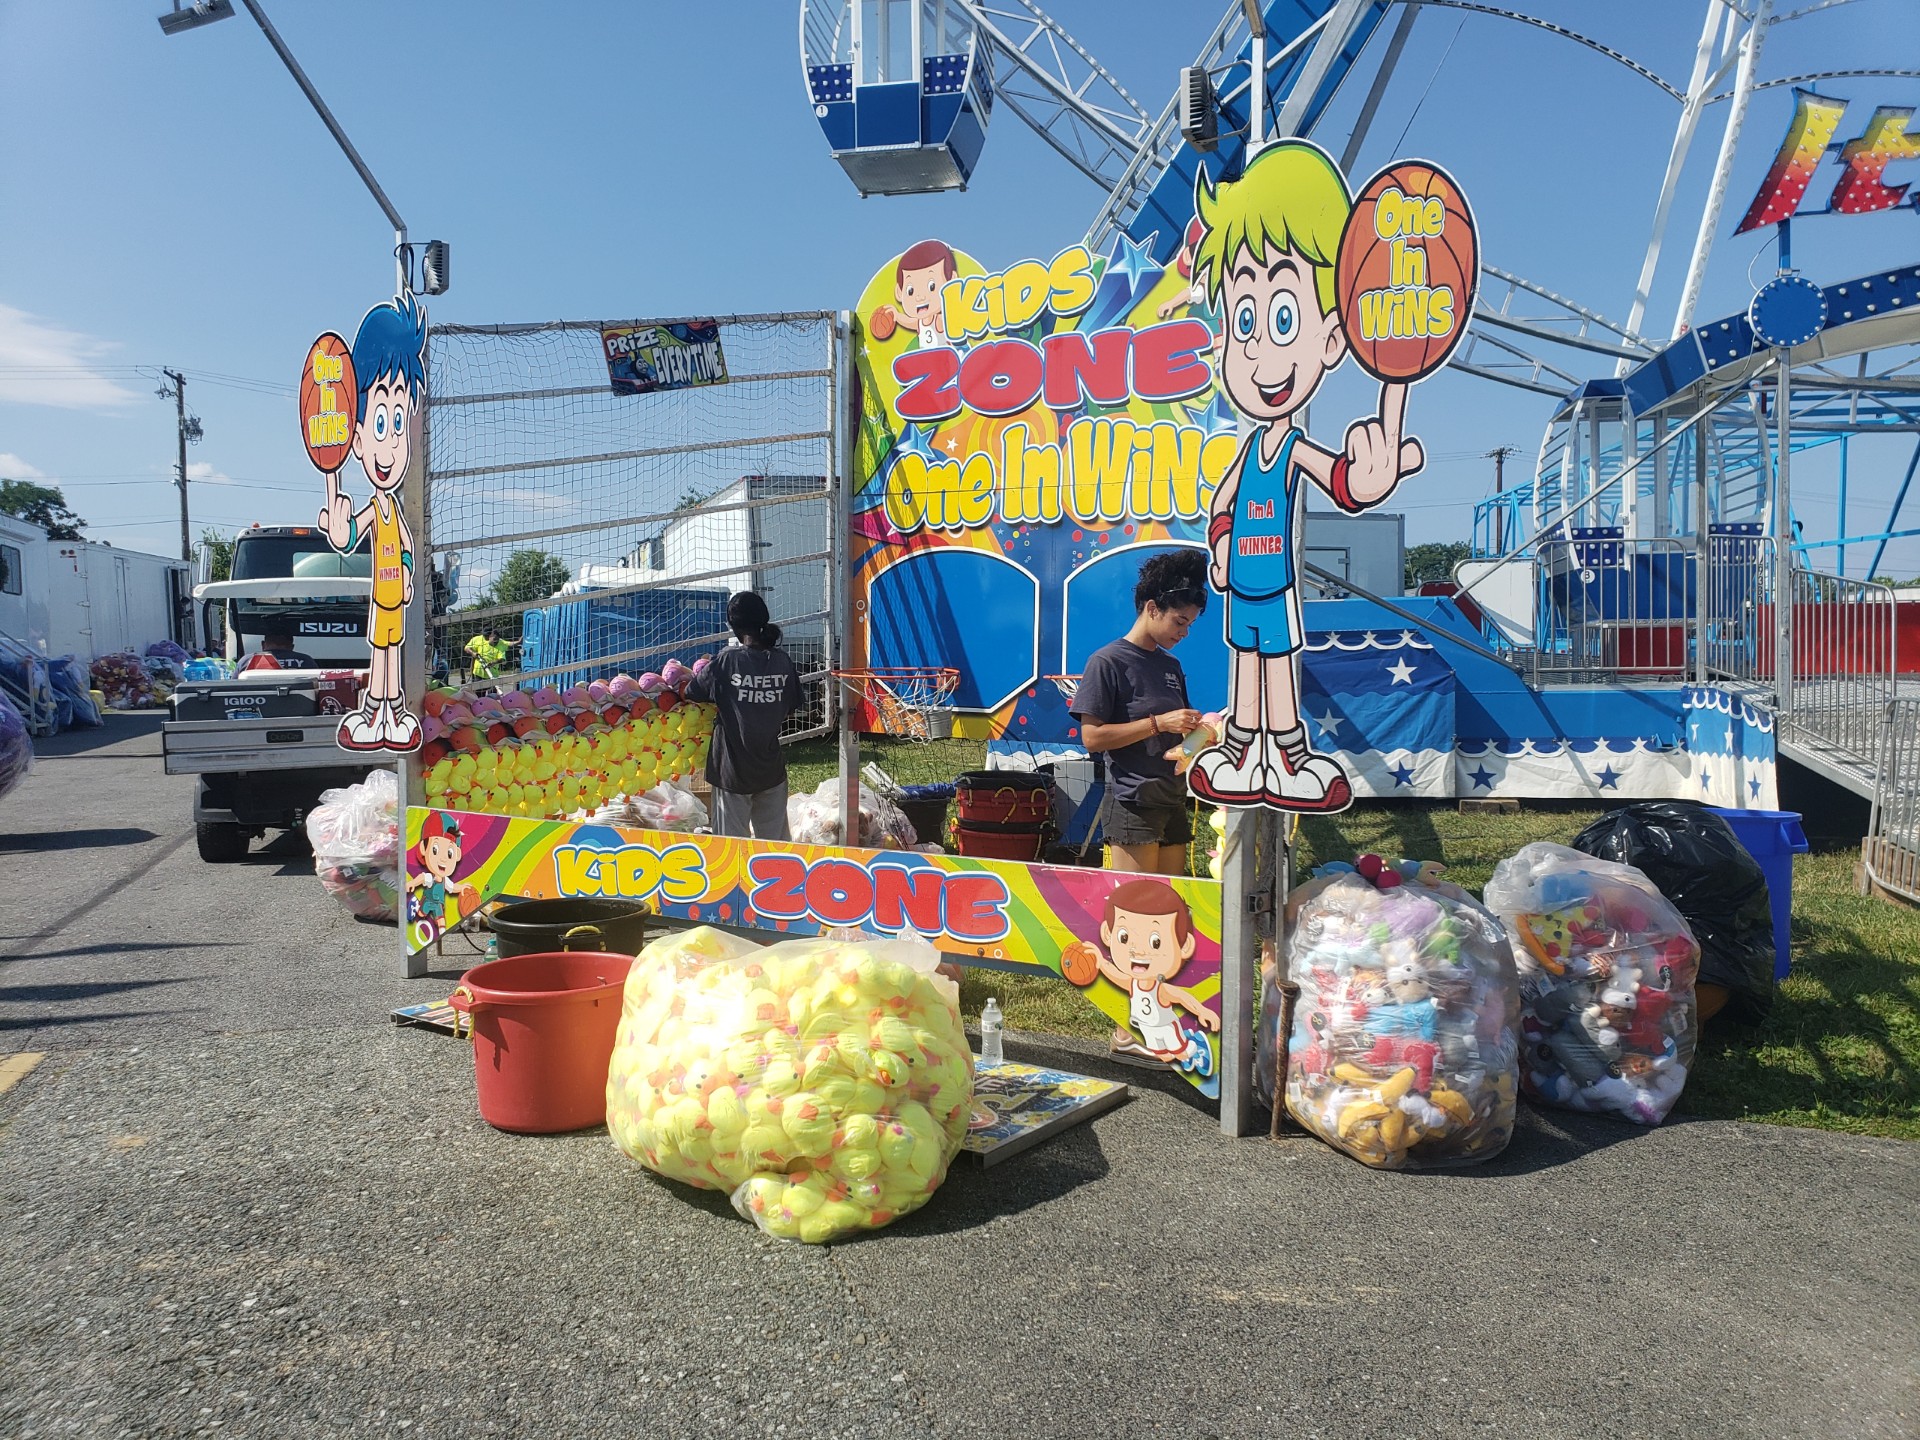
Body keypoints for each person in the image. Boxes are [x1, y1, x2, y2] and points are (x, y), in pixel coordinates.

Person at [1183, 141, 1424, 811]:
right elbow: (1223, 506)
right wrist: (1224, 541)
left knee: (1278, 674)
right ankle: (1238, 749)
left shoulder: (1289, 445)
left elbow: (1340, 481)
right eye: (1245, 322)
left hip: (1278, 582)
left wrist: (1368, 478)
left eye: (1283, 319)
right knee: (1245, 668)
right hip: (1244, 584)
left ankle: (1287, 752)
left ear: (1331, 337)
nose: (1260, 352)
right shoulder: (1248, 446)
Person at [1069, 550, 1207, 875]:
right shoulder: (1107, 662)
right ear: (1152, 608)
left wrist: (1201, 735)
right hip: (1133, 800)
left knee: (1171, 903)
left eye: (1190, 624)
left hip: (1171, 798)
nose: (1185, 632)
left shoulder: (1170, 664)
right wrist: (1159, 723)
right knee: (1138, 908)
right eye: (1180, 621)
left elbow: (1179, 736)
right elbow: (1092, 738)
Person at [687, 591, 801, 841]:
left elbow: (692, 692)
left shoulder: (727, 660)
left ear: (732, 625)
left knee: (730, 850)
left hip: (732, 773)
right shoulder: (782, 661)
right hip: (771, 770)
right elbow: (793, 703)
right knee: (776, 851)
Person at [237, 631, 315, 672]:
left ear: (263, 644)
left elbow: (234, 685)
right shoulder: (306, 661)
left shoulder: (246, 661)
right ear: (292, 647)